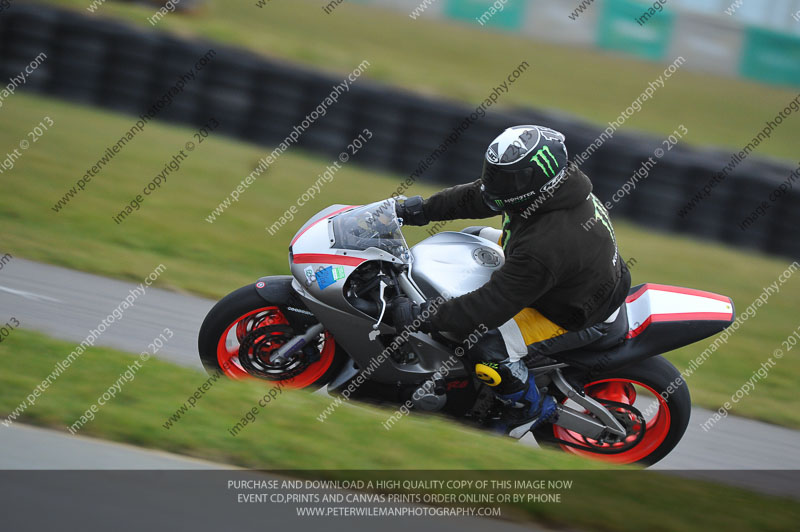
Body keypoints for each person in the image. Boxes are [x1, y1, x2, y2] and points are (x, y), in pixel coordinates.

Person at [393, 125, 631, 436]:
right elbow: (473, 198)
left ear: (538, 179)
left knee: (487, 343)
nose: (495, 184)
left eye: (508, 178)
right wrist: (416, 211)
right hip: (567, 276)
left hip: (574, 313)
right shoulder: (549, 189)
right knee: (466, 239)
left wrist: (422, 316)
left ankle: (527, 408)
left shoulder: (546, 245)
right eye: (494, 173)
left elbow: (488, 307)